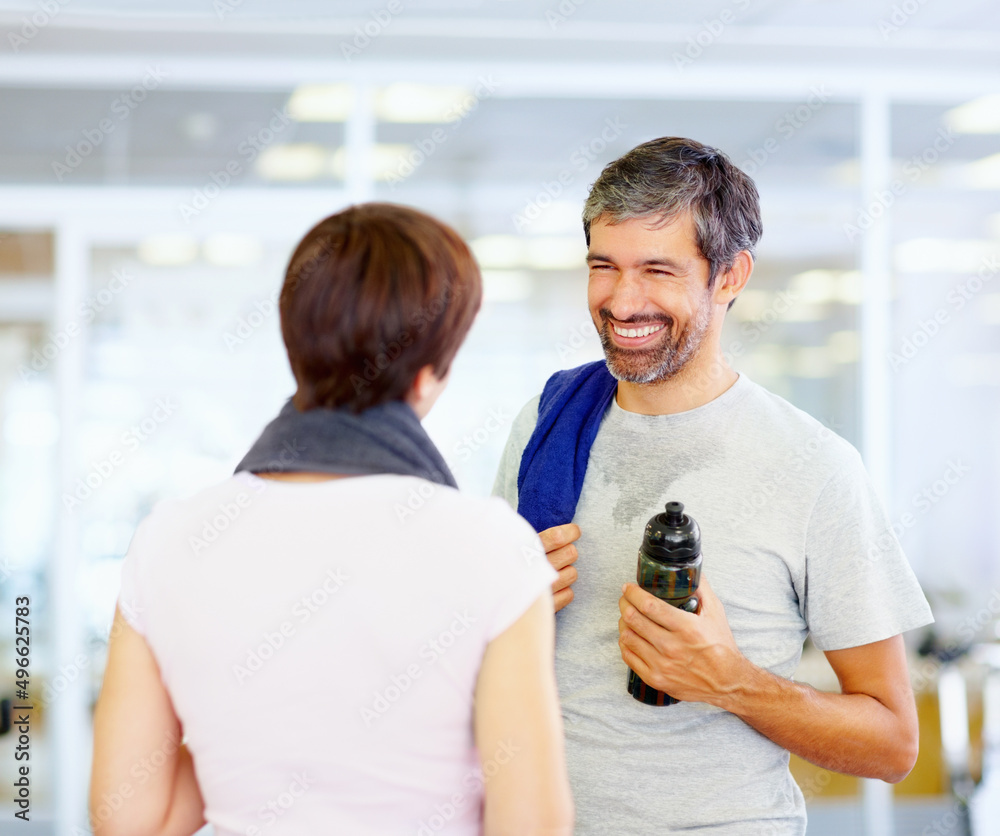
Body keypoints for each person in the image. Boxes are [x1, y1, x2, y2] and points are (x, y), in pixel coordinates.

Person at [493, 137, 934, 835]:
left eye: (658, 270)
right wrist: (497, 608)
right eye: (603, 266)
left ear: (730, 276)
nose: (621, 299)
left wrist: (729, 680)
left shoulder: (814, 467)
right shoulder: (547, 427)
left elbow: (891, 744)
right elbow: (480, 646)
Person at [90, 203, 573, 836]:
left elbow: (131, 820)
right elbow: (531, 827)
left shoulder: (168, 542)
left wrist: (238, 721)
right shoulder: (492, 550)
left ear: (295, 345)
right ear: (429, 374)